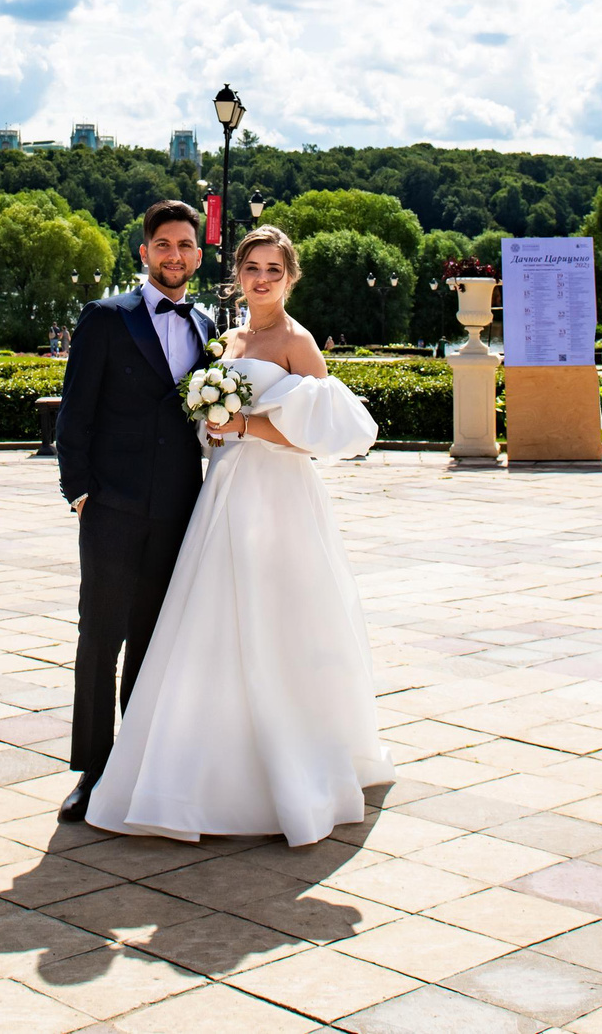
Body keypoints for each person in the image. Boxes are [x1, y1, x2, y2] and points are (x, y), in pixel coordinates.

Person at [80, 223, 389, 847]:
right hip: (221, 491)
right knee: (208, 620)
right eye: (253, 268)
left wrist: (243, 426)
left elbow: (317, 435)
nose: (263, 279)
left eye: (274, 269)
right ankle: (195, 758)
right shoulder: (222, 339)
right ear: (237, 276)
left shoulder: (298, 342)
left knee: (275, 622)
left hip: (277, 497)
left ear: (290, 277)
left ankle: (285, 762)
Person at [54, 202, 214, 824]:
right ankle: (92, 769)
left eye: (185, 245)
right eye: (163, 245)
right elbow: (75, 412)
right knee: (100, 636)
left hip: (178, 508)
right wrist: (80, 492)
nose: (175, 255)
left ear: (198, 255)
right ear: (144, 252)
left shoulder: (206, 326)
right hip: (112, 506)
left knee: (152, 637)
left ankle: (137, 763)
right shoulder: (105, 317)